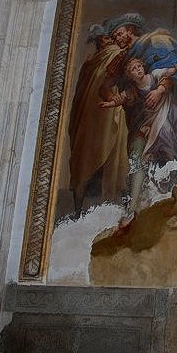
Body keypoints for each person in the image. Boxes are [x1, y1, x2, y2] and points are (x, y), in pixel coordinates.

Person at [100, 57, 177, 213]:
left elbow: (166, 74)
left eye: (139, 66)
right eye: (134, 69)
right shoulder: (132, 91)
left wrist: (175, 70)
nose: (139, 69)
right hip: (149, 122)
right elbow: (121, 99)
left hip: (165, 112)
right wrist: (111, 103)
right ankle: (141, 201)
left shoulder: (153, 75)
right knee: (145, 154)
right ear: (130, 76)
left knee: (167, 144)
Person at [67, 23, 129, 212]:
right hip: (97, 115)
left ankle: (95, 208)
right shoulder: (105, 57)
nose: (111, 42)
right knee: (92, 157)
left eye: (112, 37)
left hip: (102, 114)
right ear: (100, 41)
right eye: (106, 38)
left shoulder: (107, 57)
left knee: (104, 158)